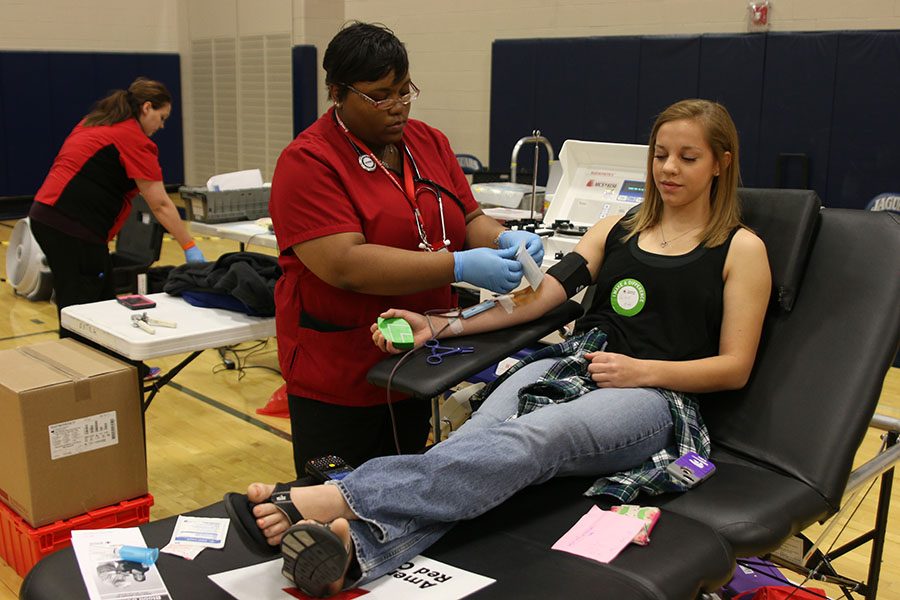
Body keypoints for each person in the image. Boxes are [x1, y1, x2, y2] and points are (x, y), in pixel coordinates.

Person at [226, 98, 772, 596]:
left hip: (655, 397)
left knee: (537, 438)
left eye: (688, 157)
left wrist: (641, 371)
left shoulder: (741, 250)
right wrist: (440, 325)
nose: (669, 168)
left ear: (721, 163)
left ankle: (344, 494)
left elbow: (734, 368)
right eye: (661, 155)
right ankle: (356, 554)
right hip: (575, 367)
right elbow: (539, 298)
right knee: (472, 450)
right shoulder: (617, 229)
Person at [268, 21, 544, 473]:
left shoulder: (428, 141)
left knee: (406, 485)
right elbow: (345, 265)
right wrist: (457, 264)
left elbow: (467, 218)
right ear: (336, 92)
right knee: (337, 495)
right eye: (379, 95)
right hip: (342, 369)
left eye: (404, 90)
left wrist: (500, 238)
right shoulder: (309, 161)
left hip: (419, 359)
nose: (396, 107)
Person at [29, 77, 205, 334]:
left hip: (48, 218)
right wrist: (189, 245)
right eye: (162, 117)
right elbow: (160, 204)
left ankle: (114, 365)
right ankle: (89, 368)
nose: (162, 125)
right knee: (84, 307)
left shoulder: (96, 122)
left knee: (100, 295)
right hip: (72, 228)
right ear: (146, 108)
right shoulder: (132, 138)